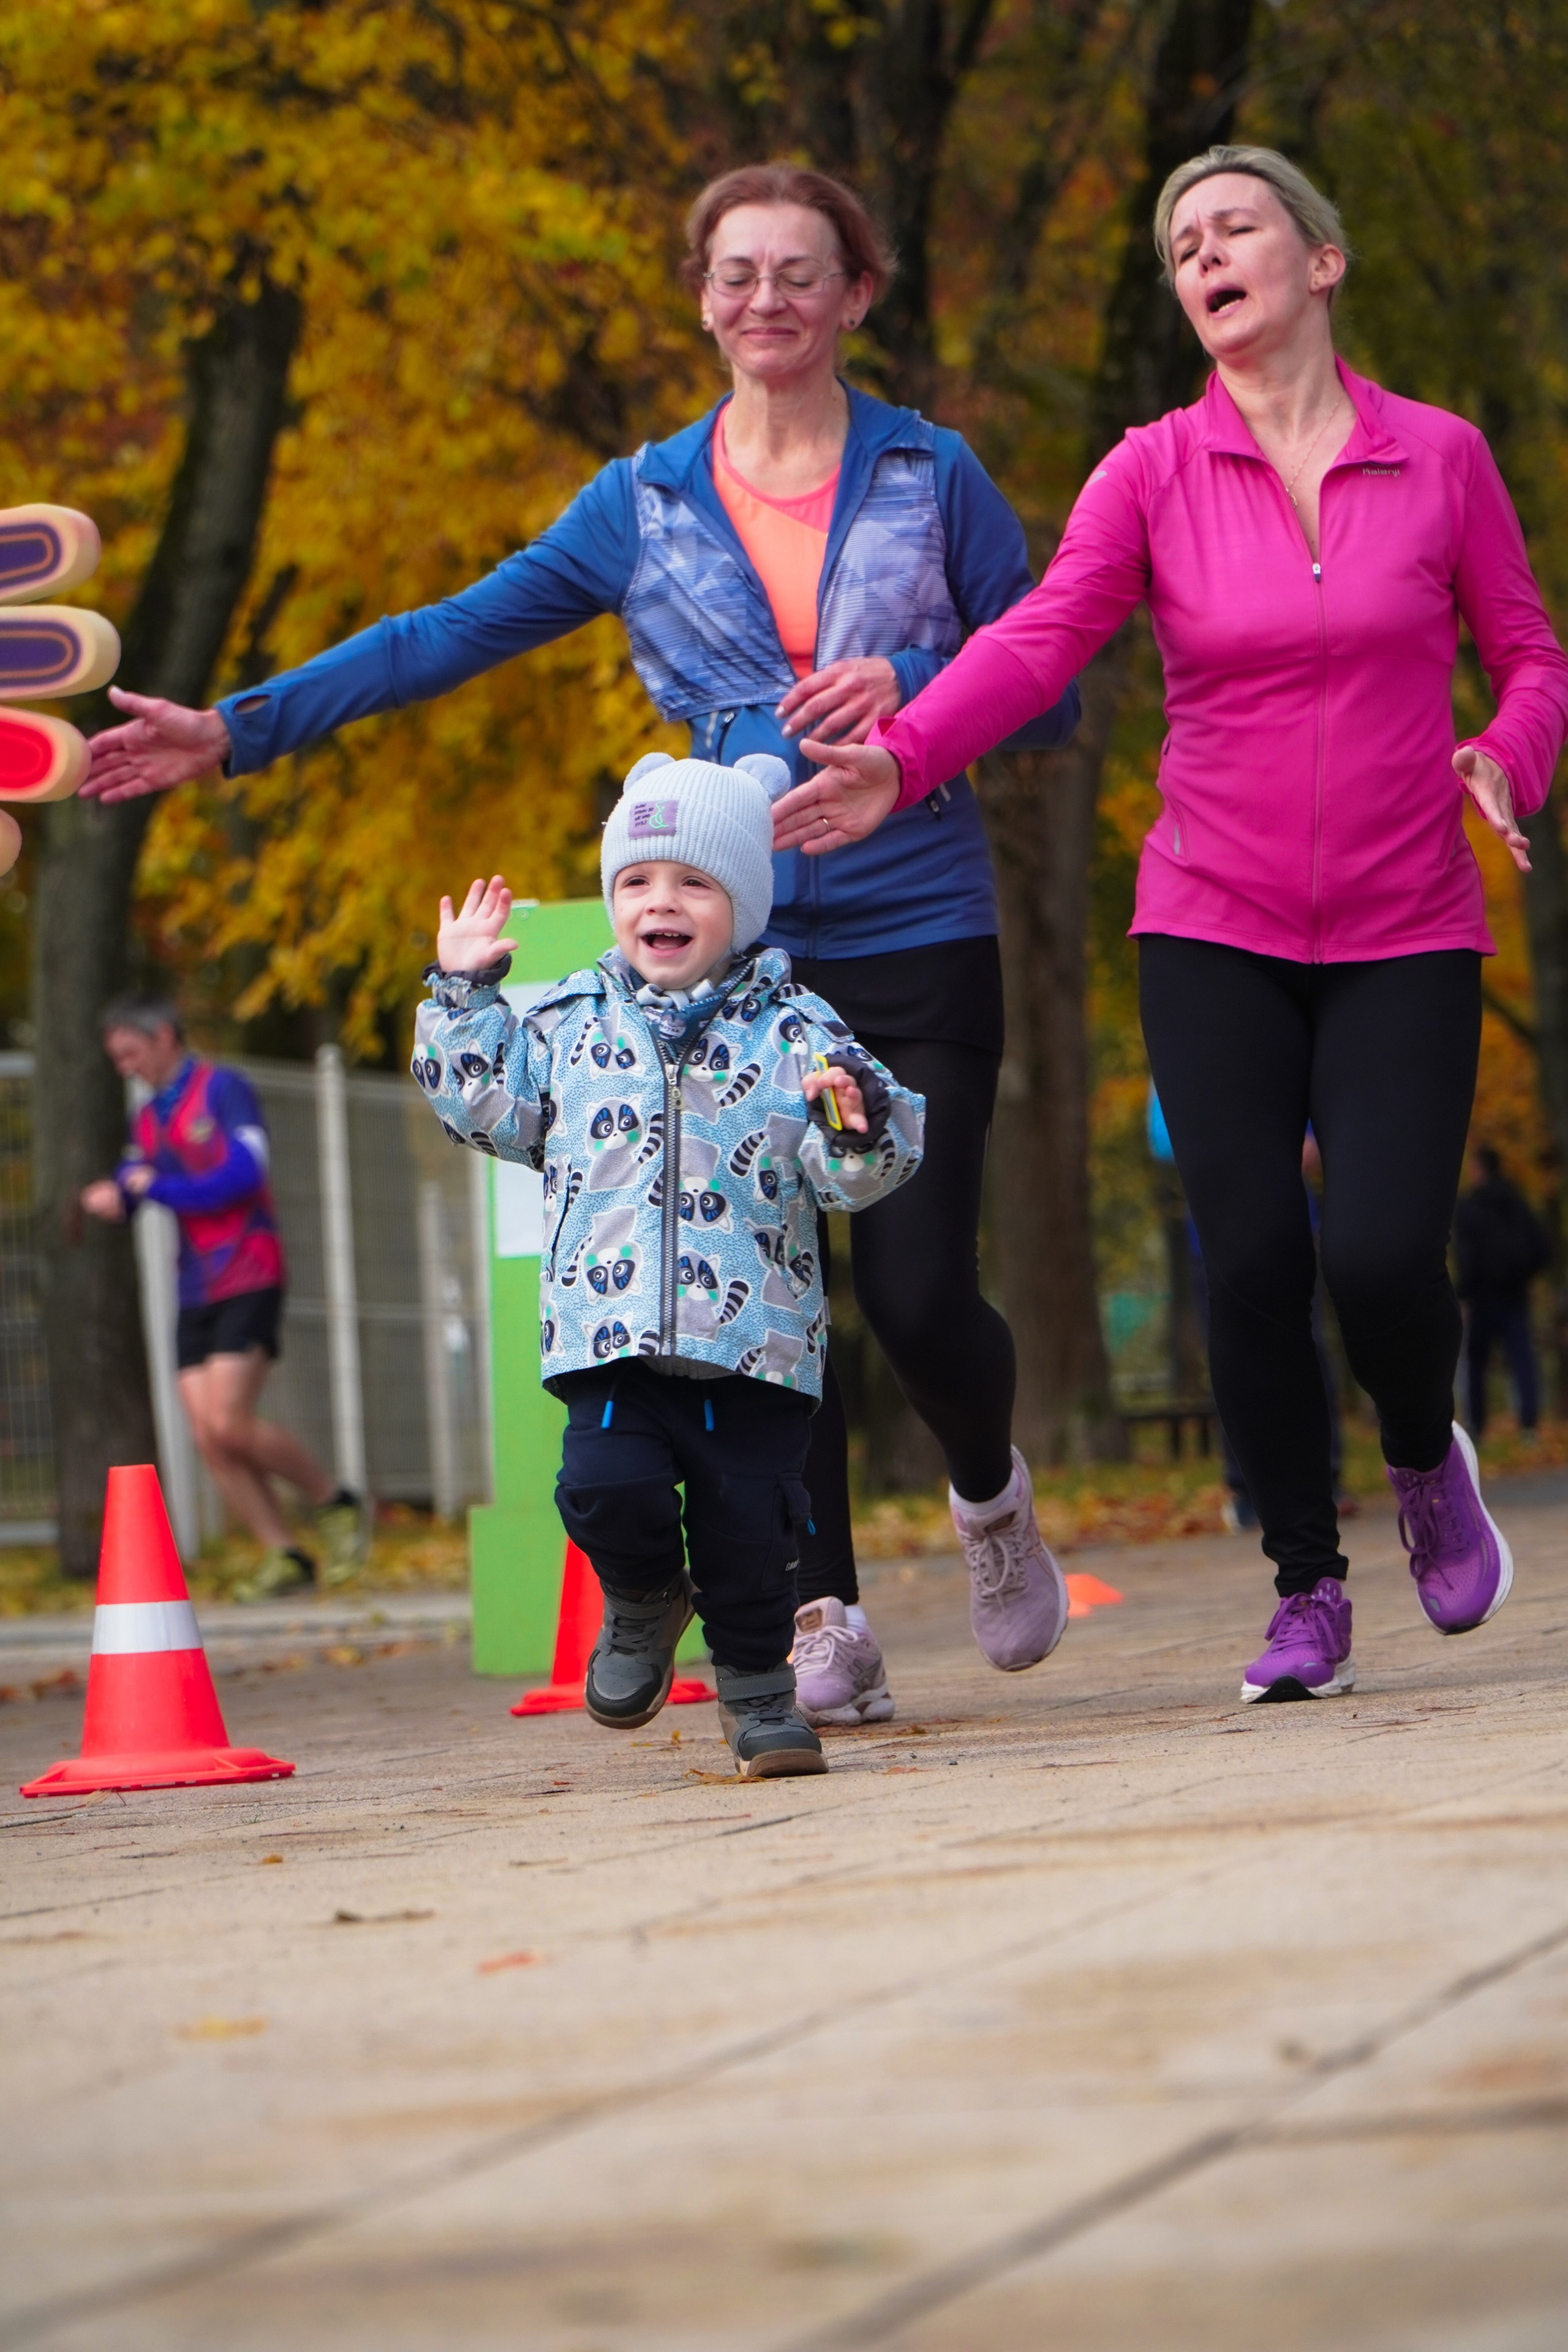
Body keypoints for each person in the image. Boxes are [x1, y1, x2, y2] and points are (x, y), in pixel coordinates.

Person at [81, 162, 1080, 1719]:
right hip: (738, 963)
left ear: (855, 295)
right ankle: (816, 1611)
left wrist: (916, 685)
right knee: (767, 1296)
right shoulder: (644, 503)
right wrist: (235, 730)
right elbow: (440, 635)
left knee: (914, 1294)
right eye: (736, 272)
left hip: (913, 927)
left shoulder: (929, 474)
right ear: (701, 296)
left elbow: (1058, 681)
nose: (766, 298)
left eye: (799, 272)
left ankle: (986, 1491)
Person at [775, 143, 1568, 1703]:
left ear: (1316, 262)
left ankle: (1420, 1453)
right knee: (1252, 1256)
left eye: (1234, 226)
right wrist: (906, 753)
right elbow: (1040, 635)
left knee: (1385, 1254)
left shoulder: (1442, 457)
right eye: (1179, 241)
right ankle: (1303, 1589)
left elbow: (1528, 650)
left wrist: (1504, 751)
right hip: (1212, 916)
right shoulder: (1146, 470)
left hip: (1408, 915)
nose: (1203, 252)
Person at [412, 752, 925, 1776]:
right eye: (637, 882)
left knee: (750, 1535)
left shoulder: (799, 1031)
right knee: (606, 1489)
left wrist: (861, 1126)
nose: (663, 902)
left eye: (694, 882)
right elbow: (482, 1107)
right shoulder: (560, 1025)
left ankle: (760, 1695)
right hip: (609, 1337)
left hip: (757, 1346)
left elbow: (851, 1174)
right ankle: (644, 1596)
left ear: (743, 905)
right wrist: (464, 991)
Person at [81, 996, 368, 1598]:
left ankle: (333, 1499)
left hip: (249, 1270)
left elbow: (243, 1175)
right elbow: (138, 1185)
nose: (125, 1067)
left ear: (163, 1036)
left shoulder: (223, 1089)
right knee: (208, 1435)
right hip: (194, 1286)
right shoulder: (148, 1118)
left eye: (129, 1053)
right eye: (116, 1059)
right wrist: (114, 1197)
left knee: (230, 1423)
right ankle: (284, 1553)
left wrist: (153, 1186)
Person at [1455, 1146, 1549, 1436]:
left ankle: (1477, 1425)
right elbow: (1539, 1245)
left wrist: (1463, 1294)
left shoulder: (1470, 1207)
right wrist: (1524, 1276)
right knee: (1521, 1358)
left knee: (1477, 1363)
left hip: (1482, 1296)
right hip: (1515, 1294)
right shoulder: (1516, 1200)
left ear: (1481, 1168)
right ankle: (1529, 1423)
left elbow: (1467, 1256)